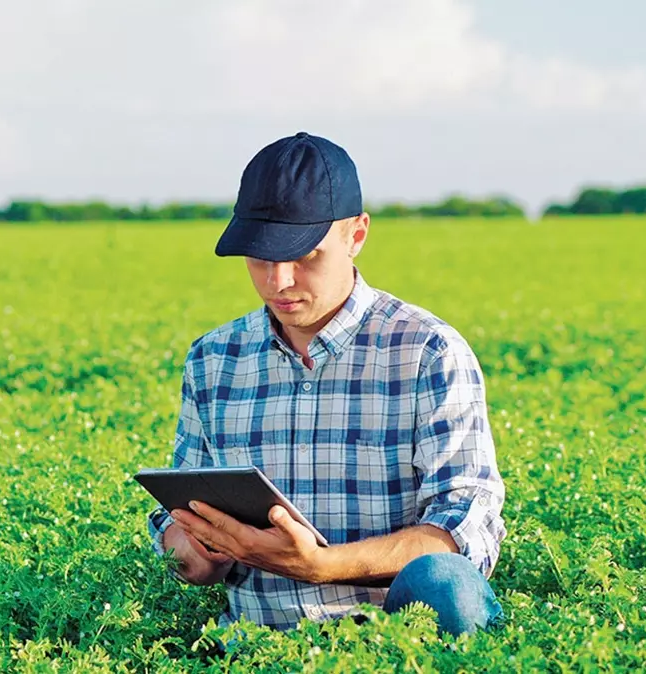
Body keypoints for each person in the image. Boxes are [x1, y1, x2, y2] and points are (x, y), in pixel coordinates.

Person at [146, 132, 506, 638]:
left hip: (400, 649)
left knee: (446, 583)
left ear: (356, 235)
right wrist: (197, 550)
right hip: (259, 648)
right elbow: (180, 528)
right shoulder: (214, 359)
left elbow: (464, 532)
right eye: (260, 259)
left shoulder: (427, 351)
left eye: (306, 256)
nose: (279, 282)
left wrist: (320, 565)